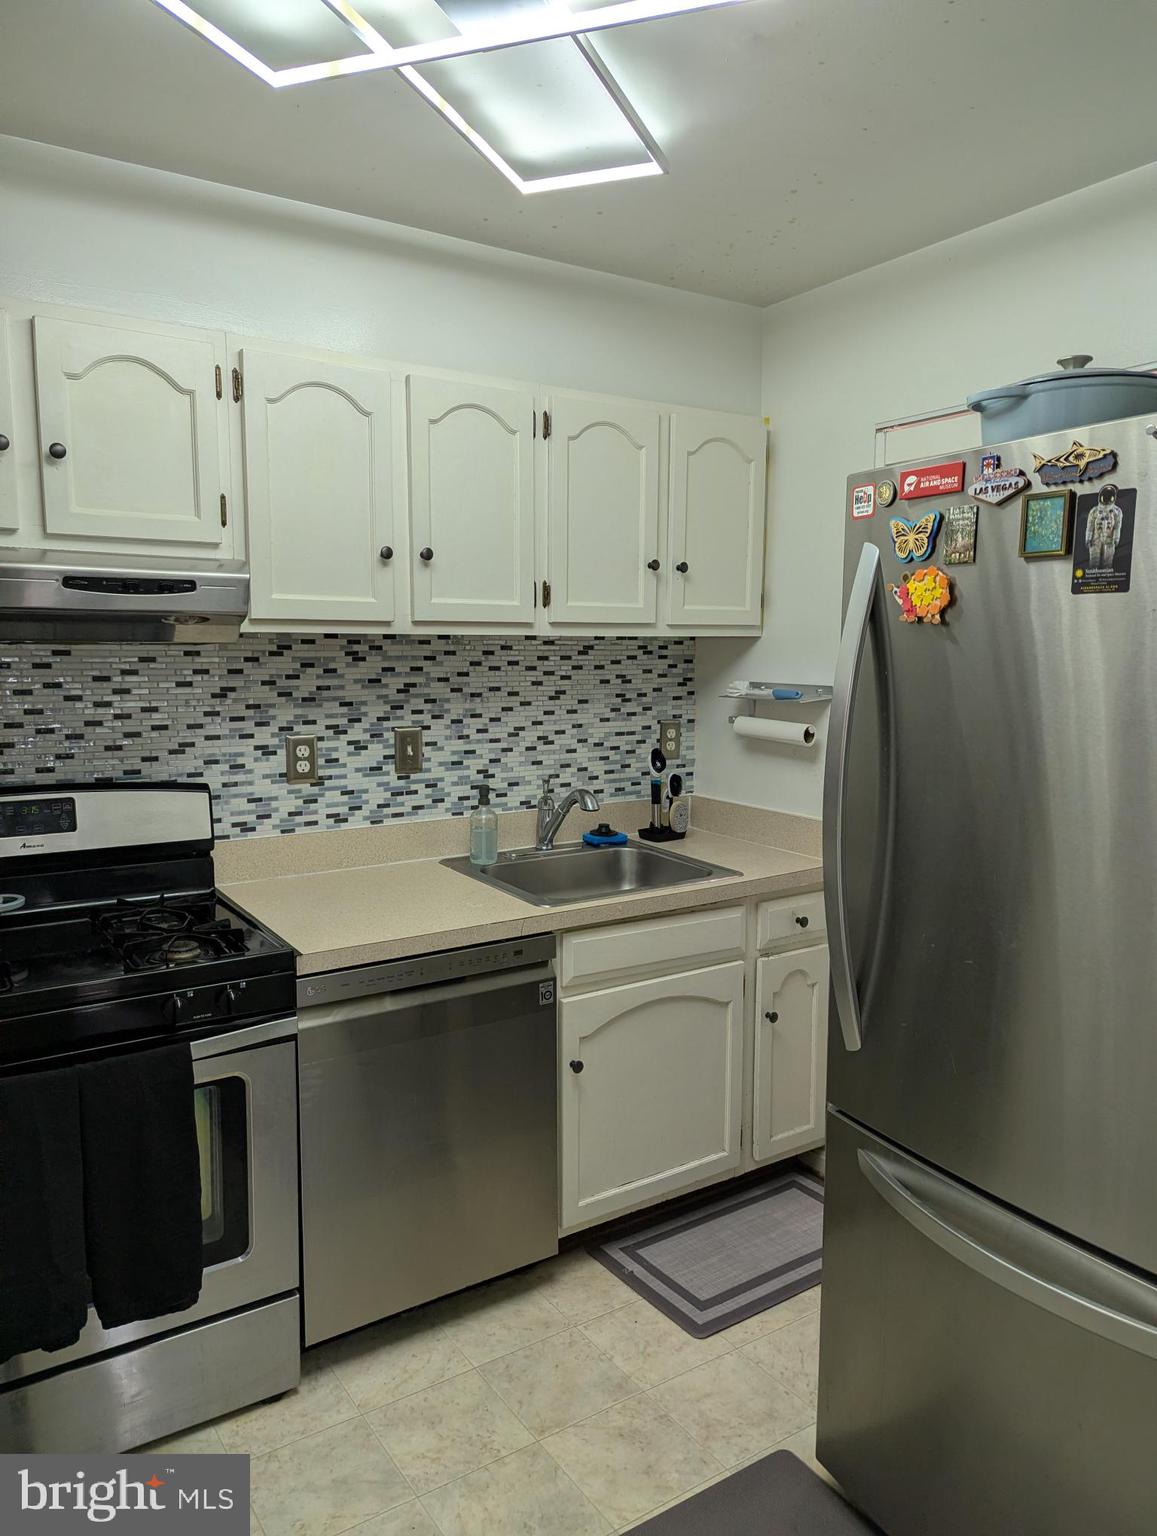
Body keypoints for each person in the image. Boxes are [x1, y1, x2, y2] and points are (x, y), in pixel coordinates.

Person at [1085, 483, 1123, 570]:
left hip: (1109, 537)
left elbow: (1117, 526)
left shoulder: (1117, 511)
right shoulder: (1094, 511)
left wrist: (1116, 537)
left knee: (1108, 560)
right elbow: (1090, 525)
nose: (1105, 502)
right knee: (1094, 559)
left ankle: (1106, 573)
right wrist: (1088, 538)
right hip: (1096, 537)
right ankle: (1093, 573)